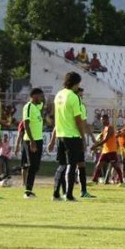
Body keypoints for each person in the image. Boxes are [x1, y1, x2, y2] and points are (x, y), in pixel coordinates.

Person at [53, 72, 90, 202]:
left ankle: (56, 193)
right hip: (72, 135)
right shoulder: (74, 97)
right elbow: (78, 119)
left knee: (62, 165)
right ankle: (68, 195)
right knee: (71, 165)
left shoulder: (58, 95)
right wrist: (83, 137)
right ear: (75, 83)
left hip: (60, 134)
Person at [22, 88, 45, 198]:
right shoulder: (29, 106)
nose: (42, 98)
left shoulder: (37, 106)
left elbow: (43, 104)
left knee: (36, 166)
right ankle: (27, 191)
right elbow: (26, 124)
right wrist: (32, 141)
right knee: (32, 165)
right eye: (40, 96)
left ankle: (29, 189)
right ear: (35, 96)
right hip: (31, 140)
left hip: (39, 139)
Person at [75, 87, 96, 198]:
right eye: (80, 95)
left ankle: (82, 191)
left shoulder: (81, 106)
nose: (81, 97)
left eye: (82, 96)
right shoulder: (74, 105)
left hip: (76, 137)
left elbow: (84, 123)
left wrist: (91, 137)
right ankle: (64, 192)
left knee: (80, 164)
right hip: (73, 137)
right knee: (71, 165)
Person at [91, 115, 124, 186]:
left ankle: (122, 182)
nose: (101, 121)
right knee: (98, 165)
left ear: (106, 119)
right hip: (105, 151)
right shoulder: (105, 128)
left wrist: (96, 146)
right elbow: (103, 139)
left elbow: (106, 139)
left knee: (115, 166)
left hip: (111, 151)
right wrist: (97, 145)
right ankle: (94, 181)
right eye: (101, 120)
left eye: (102, 120)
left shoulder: (110, 128)